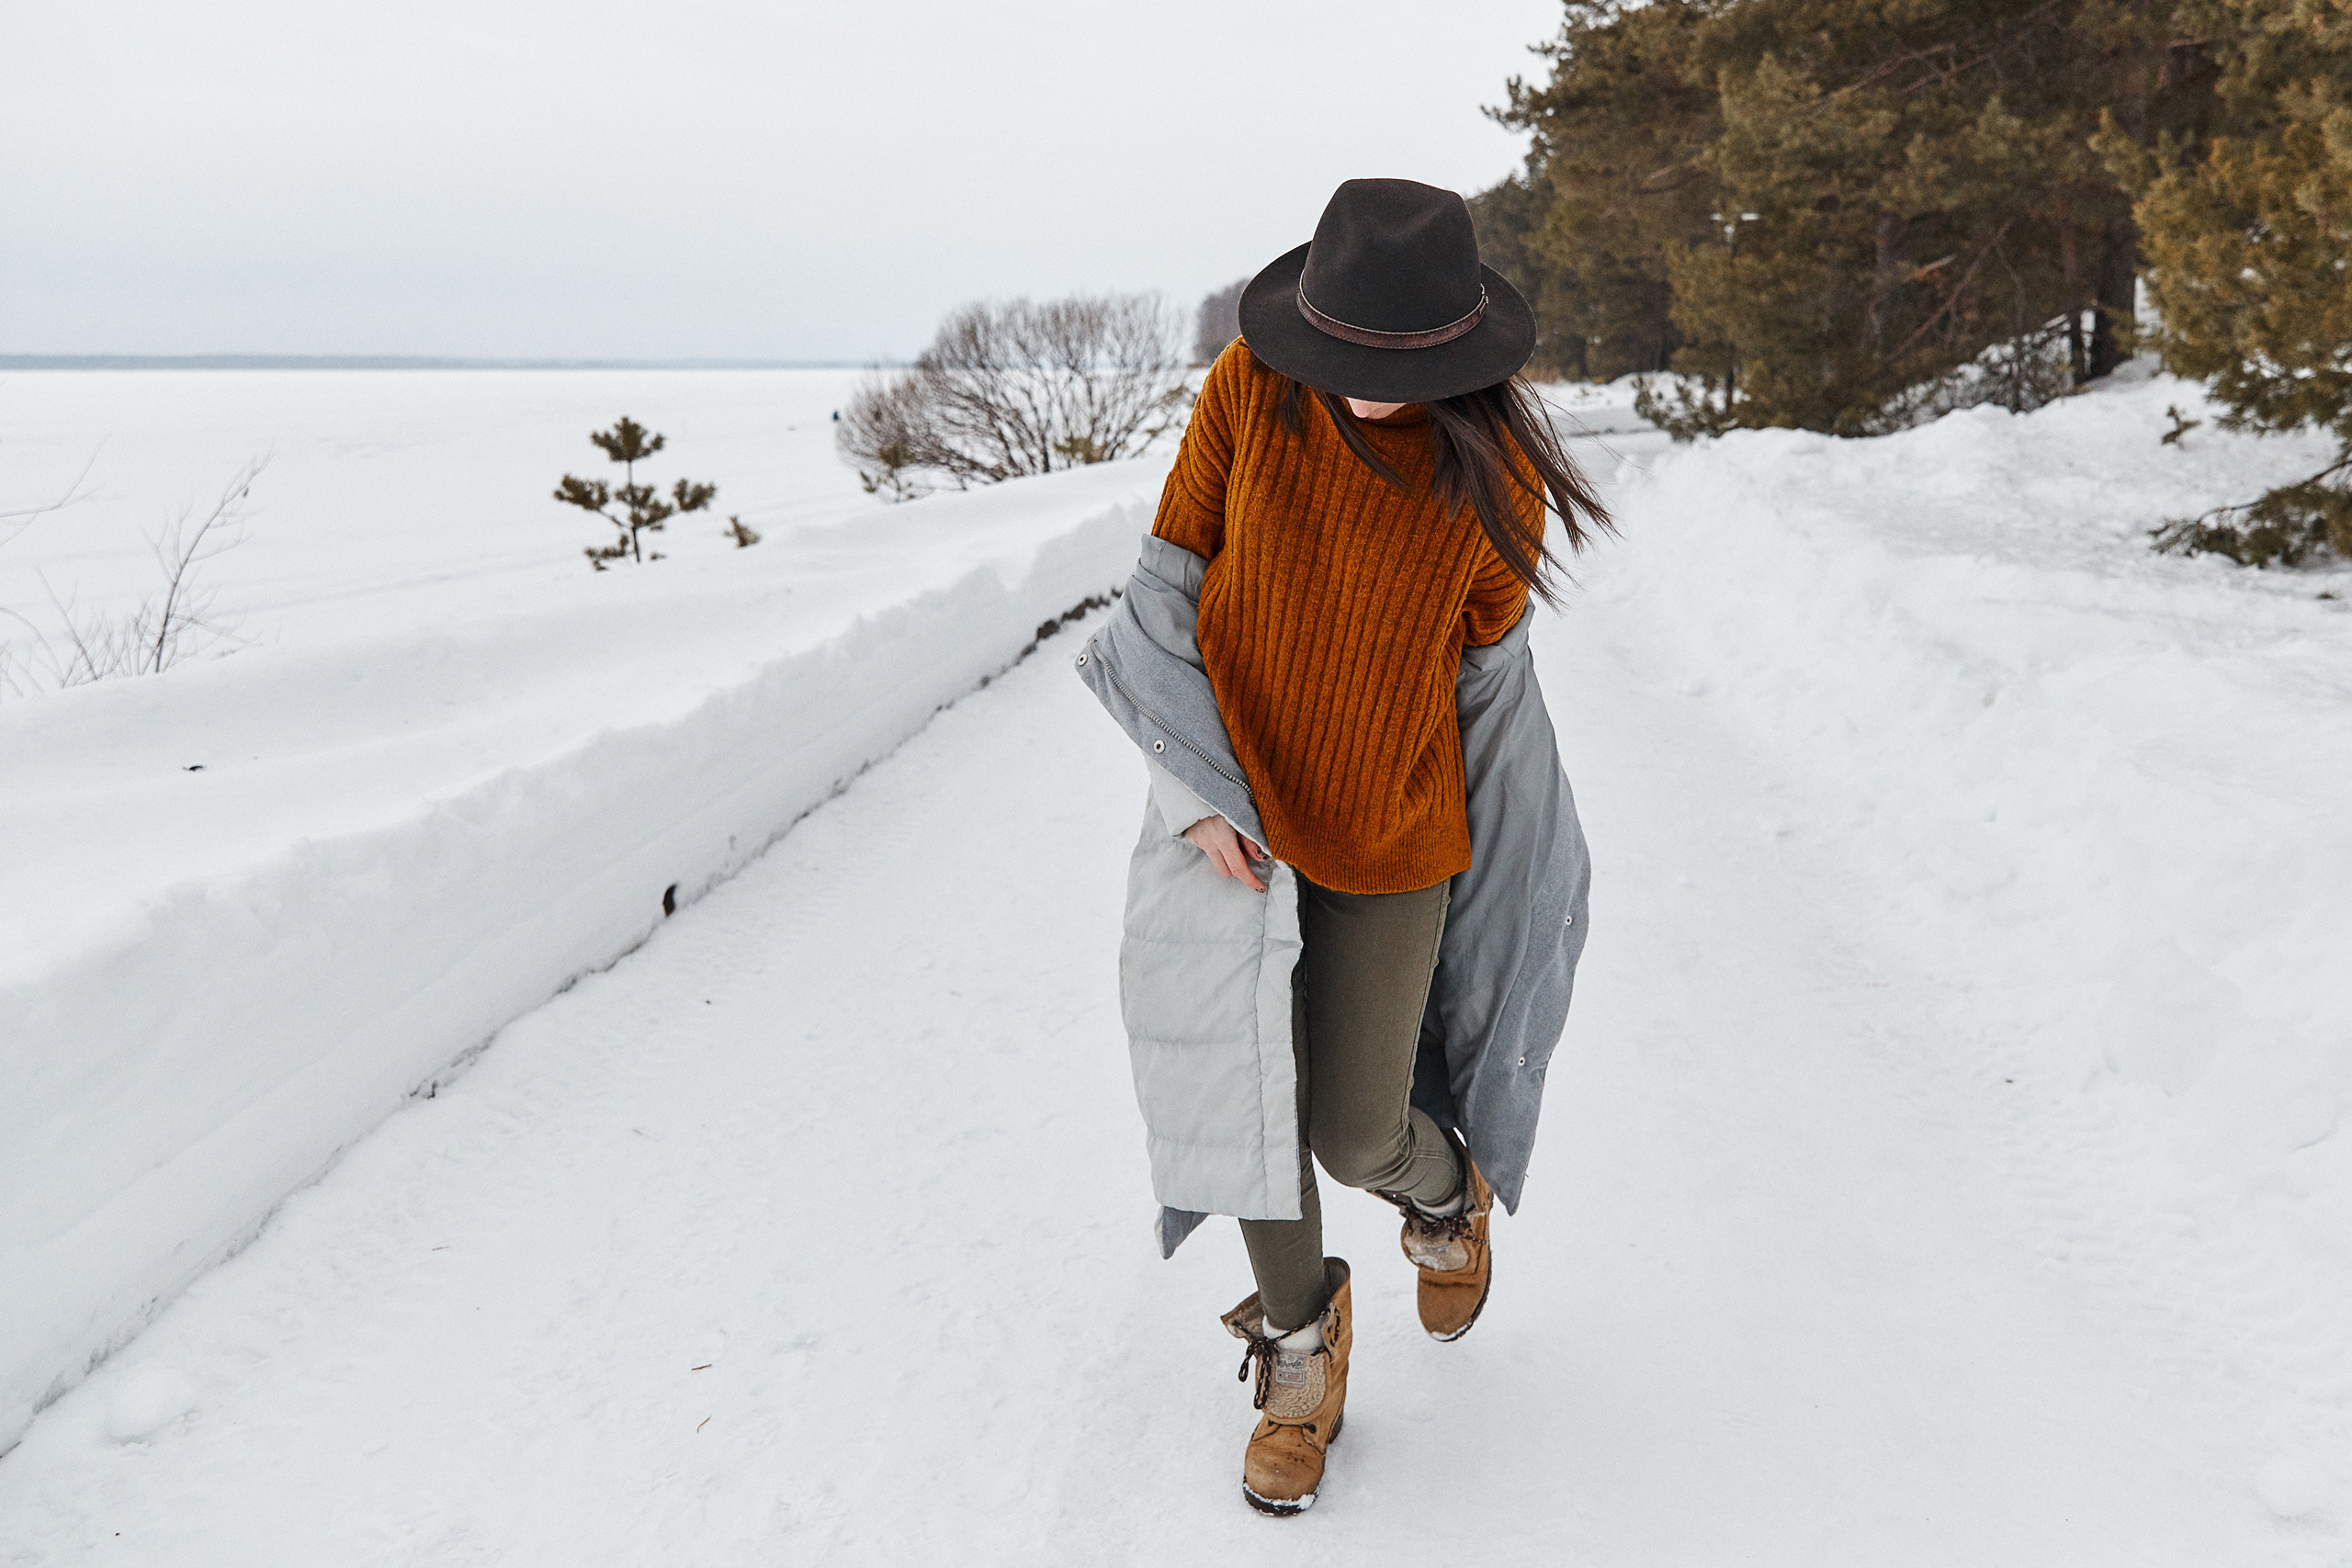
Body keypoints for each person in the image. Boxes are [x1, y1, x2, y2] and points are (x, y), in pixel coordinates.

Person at [1074, 177, 1609, 1517]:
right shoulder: (1252, 392)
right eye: (1348, 357)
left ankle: (1446, 1201)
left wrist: (1520, 862)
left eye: (1399, 365)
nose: (1365, 386)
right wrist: (1192, 791)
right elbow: (1165, 595)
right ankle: (1303, 1366)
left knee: (1356, 1130)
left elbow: (1490, 696)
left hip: (1394, 833)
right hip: (1239, 822)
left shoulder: (1499, 476)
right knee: (1255, 1105)